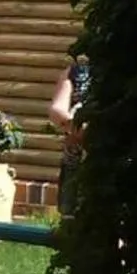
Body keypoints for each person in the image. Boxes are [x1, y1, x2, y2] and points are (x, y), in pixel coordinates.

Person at [49, 55, 89, 214]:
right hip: (75, 158)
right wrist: (74, 124)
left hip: (111, 161)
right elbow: (56, 109)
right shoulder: (76, 72)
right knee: (69, 215)